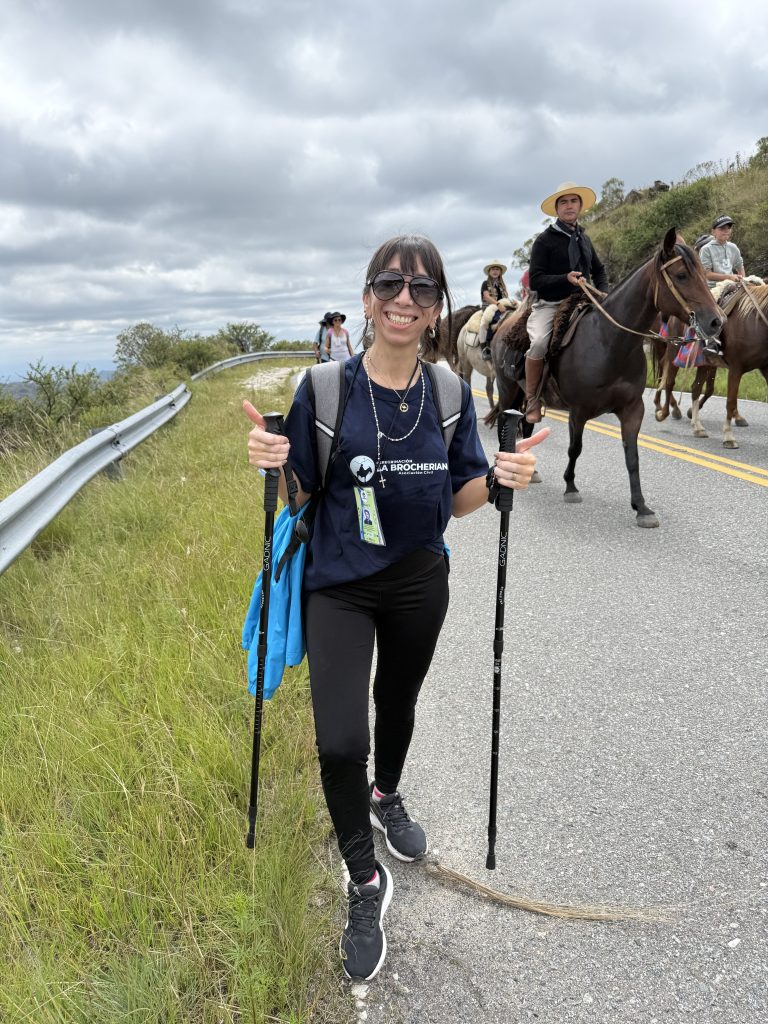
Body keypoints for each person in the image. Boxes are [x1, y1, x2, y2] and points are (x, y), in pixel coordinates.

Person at [244, 234, 548, 982]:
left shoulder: (448, 394)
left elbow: (461, 498)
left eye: (420, 290)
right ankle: (363, 877)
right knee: (340, 739)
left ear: (438, 305)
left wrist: (506, 480)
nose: (404, 300)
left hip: (419, 581)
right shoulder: (323, 389)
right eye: (389, 285)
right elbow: (304, 495)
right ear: (368, 297)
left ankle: (387, 796)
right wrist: (274, 463)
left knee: (398, 704)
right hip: (338, 584)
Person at [525, 182, 609, 422]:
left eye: (573, 201)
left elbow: (599, 271)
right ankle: (532, 399)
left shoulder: (584, 238)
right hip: (551, 304)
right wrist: (565, 278)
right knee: (540, 342)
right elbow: (535, 280)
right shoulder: (544, 240)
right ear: (557, 209)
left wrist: (604, 295)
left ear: (580, 206)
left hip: (584, 299)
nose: (569, 206)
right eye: (564, 202)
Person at [698, 216, 746, 357]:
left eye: (728, 228)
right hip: (713, 287)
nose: (726, 231)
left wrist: (742, 278)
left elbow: (739, 266)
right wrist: (729, 277)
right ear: (713, 231)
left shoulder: (733, 247)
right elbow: (706, 274)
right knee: (713, 309)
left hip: (733, 284)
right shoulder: (706, 249)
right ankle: (712, 342)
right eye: (722, 228)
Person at [478, 261, 510, 361]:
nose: (495, 271)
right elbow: (486, 297)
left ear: (500, 272)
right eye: (493, 269)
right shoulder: (485, 283)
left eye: (497, 269)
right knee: (484, 324)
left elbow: (505, 298)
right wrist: (497, 304)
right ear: (489, 271)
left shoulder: (502, 285)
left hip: (501, 308)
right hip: (489, 308)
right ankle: (485, 348)